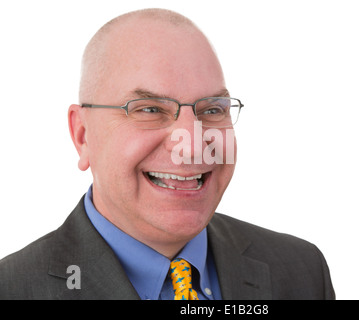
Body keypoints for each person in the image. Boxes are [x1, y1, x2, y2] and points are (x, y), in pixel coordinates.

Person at [0, 8, 335, 300]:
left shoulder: (301, 271)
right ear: (82, 135)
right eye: (149, 109)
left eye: (212, 109)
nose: (191, 144)